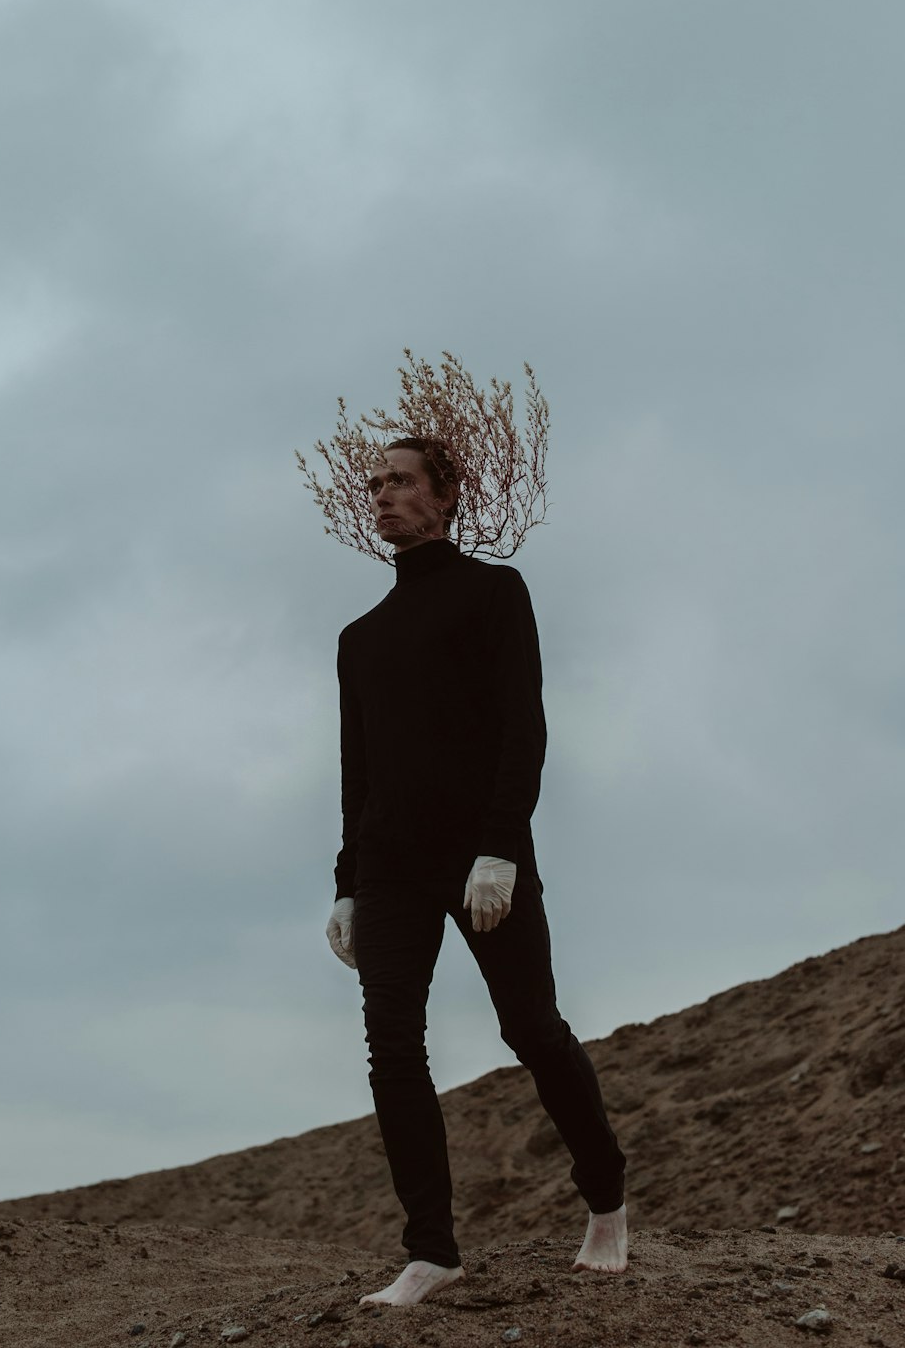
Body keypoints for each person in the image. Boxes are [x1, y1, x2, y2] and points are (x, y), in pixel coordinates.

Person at [325, 439, 628, 1307]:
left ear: (446, 495)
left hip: (482, 855)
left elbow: (520, 726)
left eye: (401, 480)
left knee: (530, 1028)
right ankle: (432, 1249)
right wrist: (346, 881)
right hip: (387, 869)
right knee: (392, 1048)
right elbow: (358, 770)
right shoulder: (359, 639)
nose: (383, 494)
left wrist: (499, 843)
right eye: (375, 483)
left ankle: (605, 1194)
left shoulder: (496, 593)